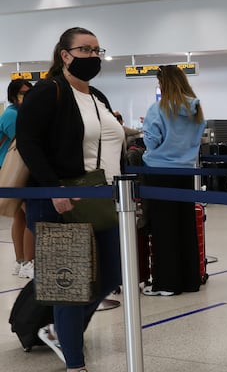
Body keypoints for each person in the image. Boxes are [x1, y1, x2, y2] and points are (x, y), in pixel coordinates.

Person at [16, 26, 124, 372]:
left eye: (97, 51)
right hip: (59, 198)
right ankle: (75, 363)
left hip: (99, 196)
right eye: (85, 50)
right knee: (69, 284)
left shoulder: (97, 97)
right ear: (65, 55)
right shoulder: (49, 92)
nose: (93, 57)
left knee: (109, 277)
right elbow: (29, 142)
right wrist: (53, 189)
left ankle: (60, 330)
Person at [141, 64, 207, 296]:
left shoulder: (158, 109)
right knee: (185, 225)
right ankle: (190, 279)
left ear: (164, 83)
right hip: (186, 172)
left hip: (159, 172)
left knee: (163, 228)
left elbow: (151, 141)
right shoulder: (195, 109)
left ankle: (167, 282)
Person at [0, 79, 34, 278]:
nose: (26, 97)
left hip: (13, 170)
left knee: (20, 216)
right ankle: (27, 261)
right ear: (13, 95)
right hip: (15, 172)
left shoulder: (16, 113)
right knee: (29, 214)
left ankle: (21, 261)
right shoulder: (12, 115)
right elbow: (25, 143)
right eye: (22, 93)